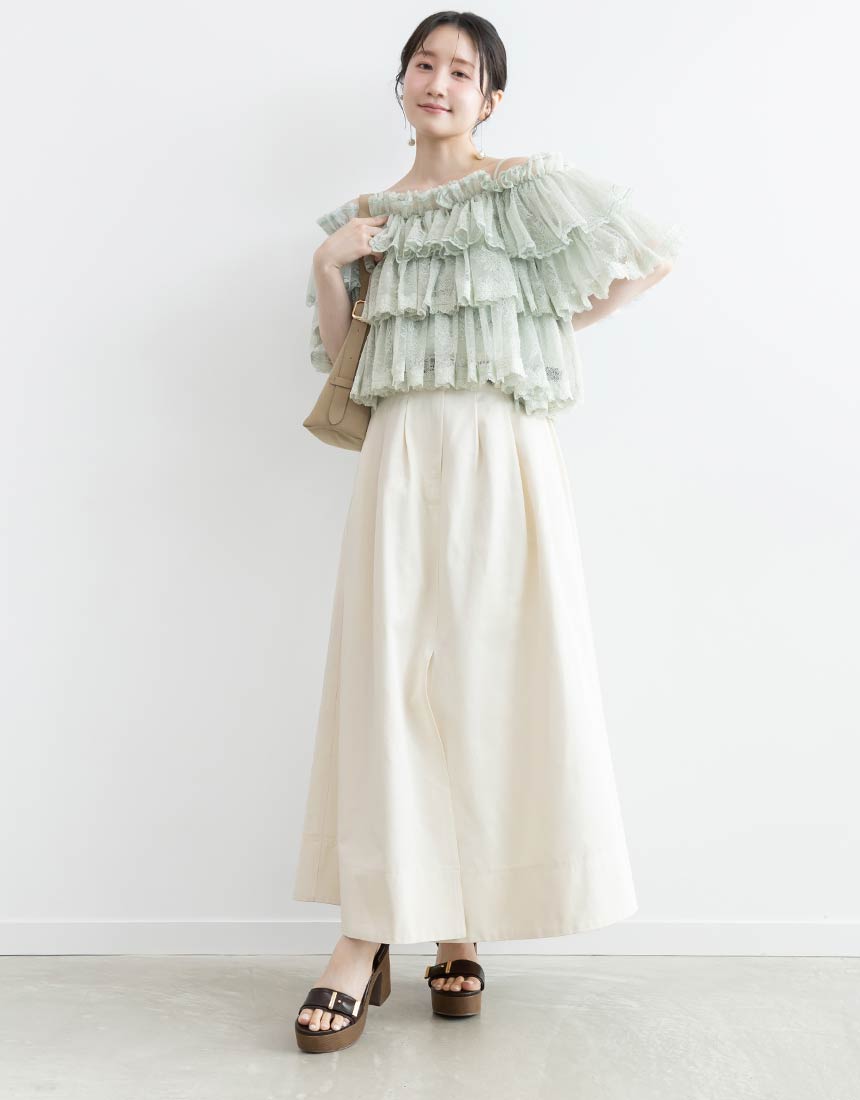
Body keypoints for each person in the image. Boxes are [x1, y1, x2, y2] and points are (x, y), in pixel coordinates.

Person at [292, 12, 684, 1052]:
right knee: (389, 681)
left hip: (502, 444)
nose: (439, 82)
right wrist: (331, 266)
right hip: (398, 453)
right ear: (401, 82)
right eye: (423, 64)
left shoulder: (521, 189)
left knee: (488, 676)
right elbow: (345, 362)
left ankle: (458, 924)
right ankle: (364, 931)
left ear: (490, 98)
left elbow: (645, 257)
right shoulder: (367, 217)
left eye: (461, 71)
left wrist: (536, 318)